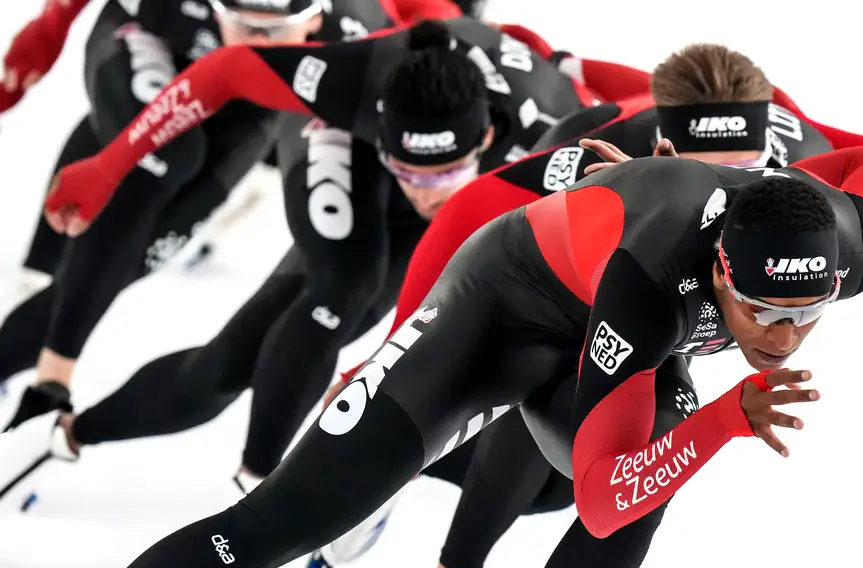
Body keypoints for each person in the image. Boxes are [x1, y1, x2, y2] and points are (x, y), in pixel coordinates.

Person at [4, 65, 863, 568]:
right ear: (719, 270)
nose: (784, 340)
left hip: (623, 333)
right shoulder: (656, 275)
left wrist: (708, 415)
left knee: (639, 495)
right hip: (499, 314)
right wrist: (724, 423)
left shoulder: (837, 245)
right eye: (760, 311)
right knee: (263, 533)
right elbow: (601, 493)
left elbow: (614, 501)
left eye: (808, 315)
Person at [292, 40, 863, 568]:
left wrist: (562, 59)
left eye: (747, 173)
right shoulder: (595, 148)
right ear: (665, 156)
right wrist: (387, 357)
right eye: (708, 174)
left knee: (564, 492)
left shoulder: (795, 156)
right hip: (574, 292)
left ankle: (412, 482)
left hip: (674, 313)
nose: (728, 195)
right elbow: (470, 208)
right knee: (553, 413)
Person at [0, 15, 601, 504]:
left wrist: (575, 64)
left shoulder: (557, 138)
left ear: (487, 140)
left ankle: (63, 436)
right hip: (349, 139)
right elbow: (228, 70)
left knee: (226, 367)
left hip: (474, 168)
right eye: (407, 169)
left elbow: (652, 102)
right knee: (345, 281)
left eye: (443, 171)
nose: (423, 190)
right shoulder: (350, 81)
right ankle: (256, 485)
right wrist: (109, 165)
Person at [0, 0, 440, 463]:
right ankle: (52, 370)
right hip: (153, 41)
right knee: (166, 155)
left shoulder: (358, 30)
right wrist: (46, 32)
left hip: (244, 104)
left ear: (314, 20)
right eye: (242, 23)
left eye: (272, 32)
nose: (255, 42)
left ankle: (33, 335)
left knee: (133, 258)